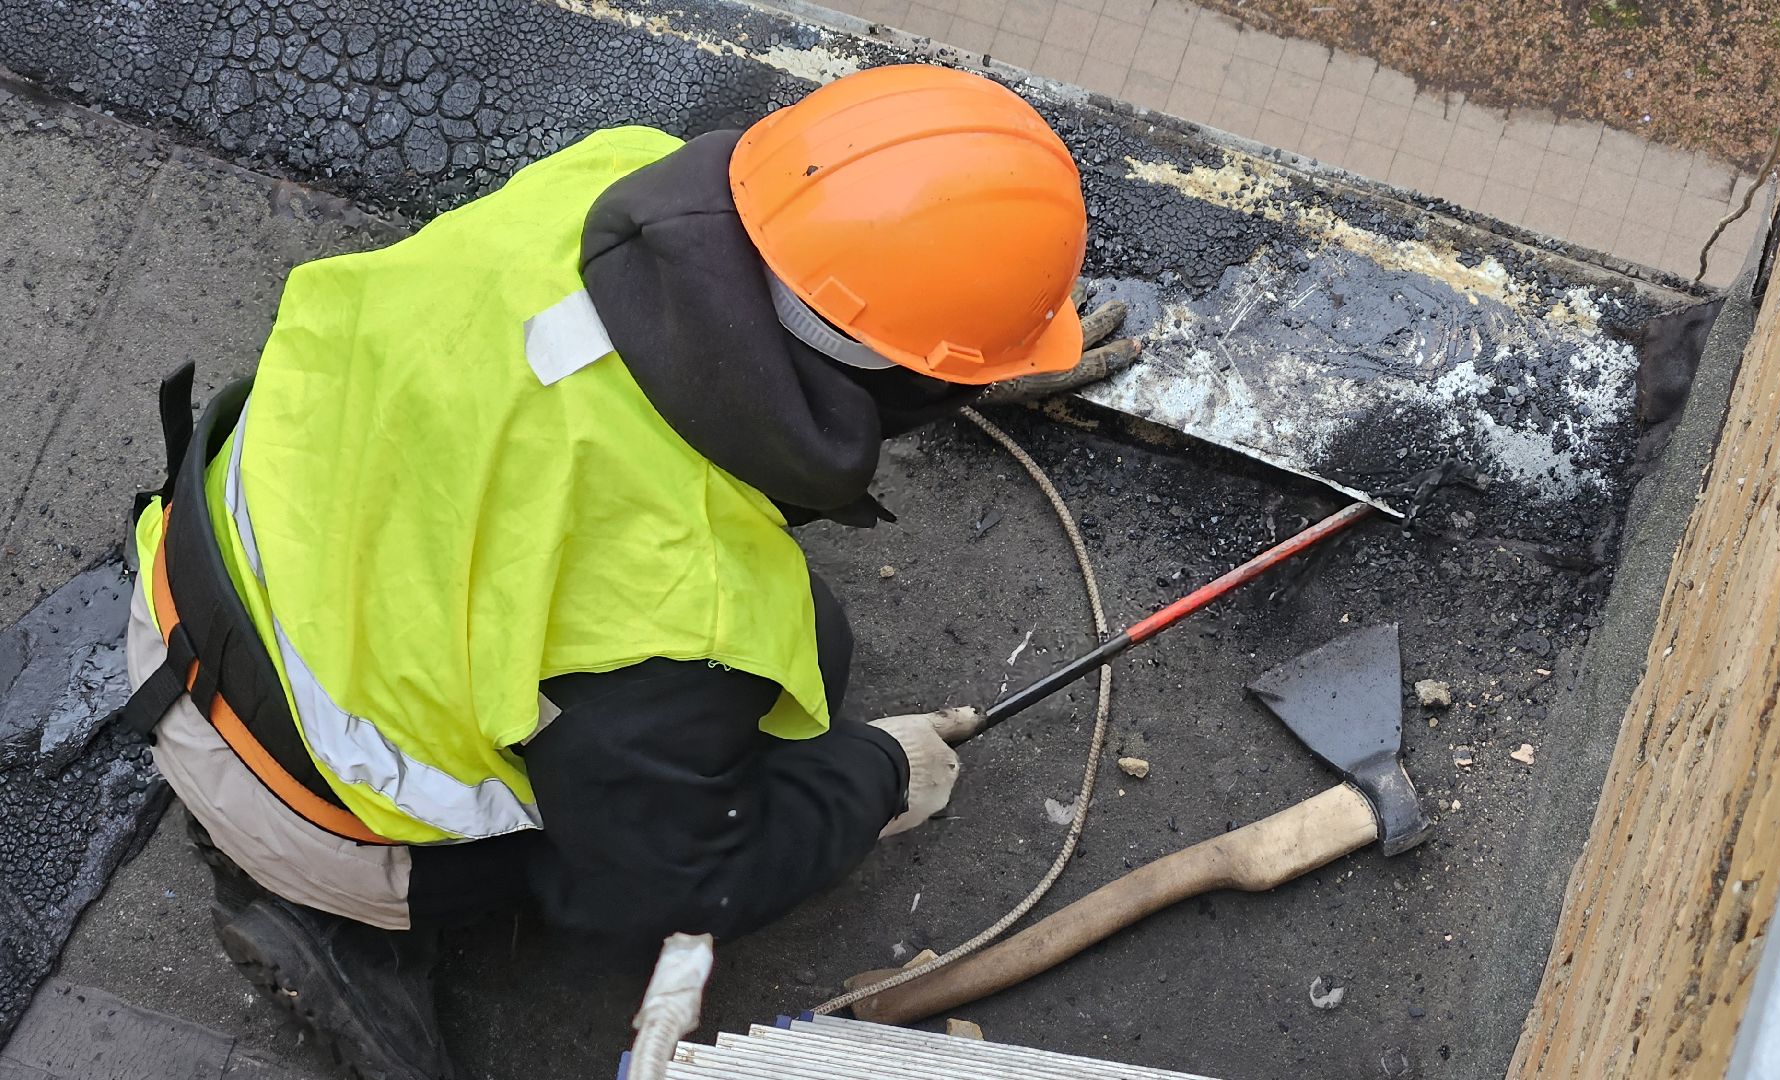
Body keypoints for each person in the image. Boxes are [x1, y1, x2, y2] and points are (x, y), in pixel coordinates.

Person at [114, 63, 1137, 1080]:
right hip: (283, 777)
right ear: (905, 381)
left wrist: (946, 358)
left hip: (213, 561)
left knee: (806, 650)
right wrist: (874, 779)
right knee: (713, 772)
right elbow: (688, 879)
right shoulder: (676, 618)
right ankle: (331, 927)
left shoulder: (616, 180)